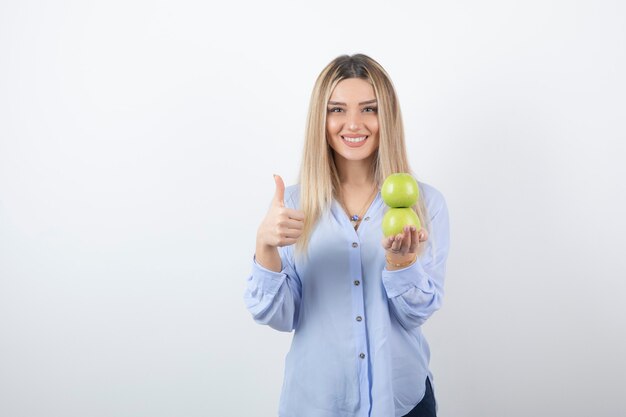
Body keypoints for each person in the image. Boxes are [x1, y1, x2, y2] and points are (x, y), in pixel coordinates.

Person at [244, 54, 450, 417]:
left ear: (386, 116)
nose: (353, 124)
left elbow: (418, 313)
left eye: (369, 109)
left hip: (402, 402)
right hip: (317, 403)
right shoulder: (293, 205)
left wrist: (402, 265)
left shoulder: (424, 204)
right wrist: (265, 246)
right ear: (320, 119)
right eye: (337, 109)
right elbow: (279, 316)